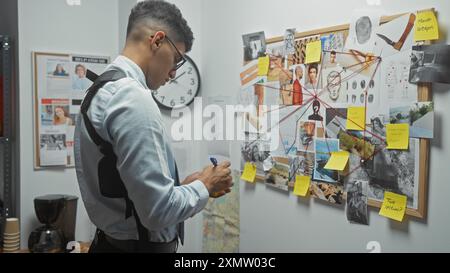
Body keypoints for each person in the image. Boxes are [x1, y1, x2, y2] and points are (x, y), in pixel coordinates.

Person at [74, 0, 232, 253]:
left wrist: (184, 187)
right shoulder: (132, 98)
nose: (173, 73)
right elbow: (157, 213)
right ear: (157, 40)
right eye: (177, 59)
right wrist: (205, 185)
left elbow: (124, 185)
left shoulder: (101, 88)